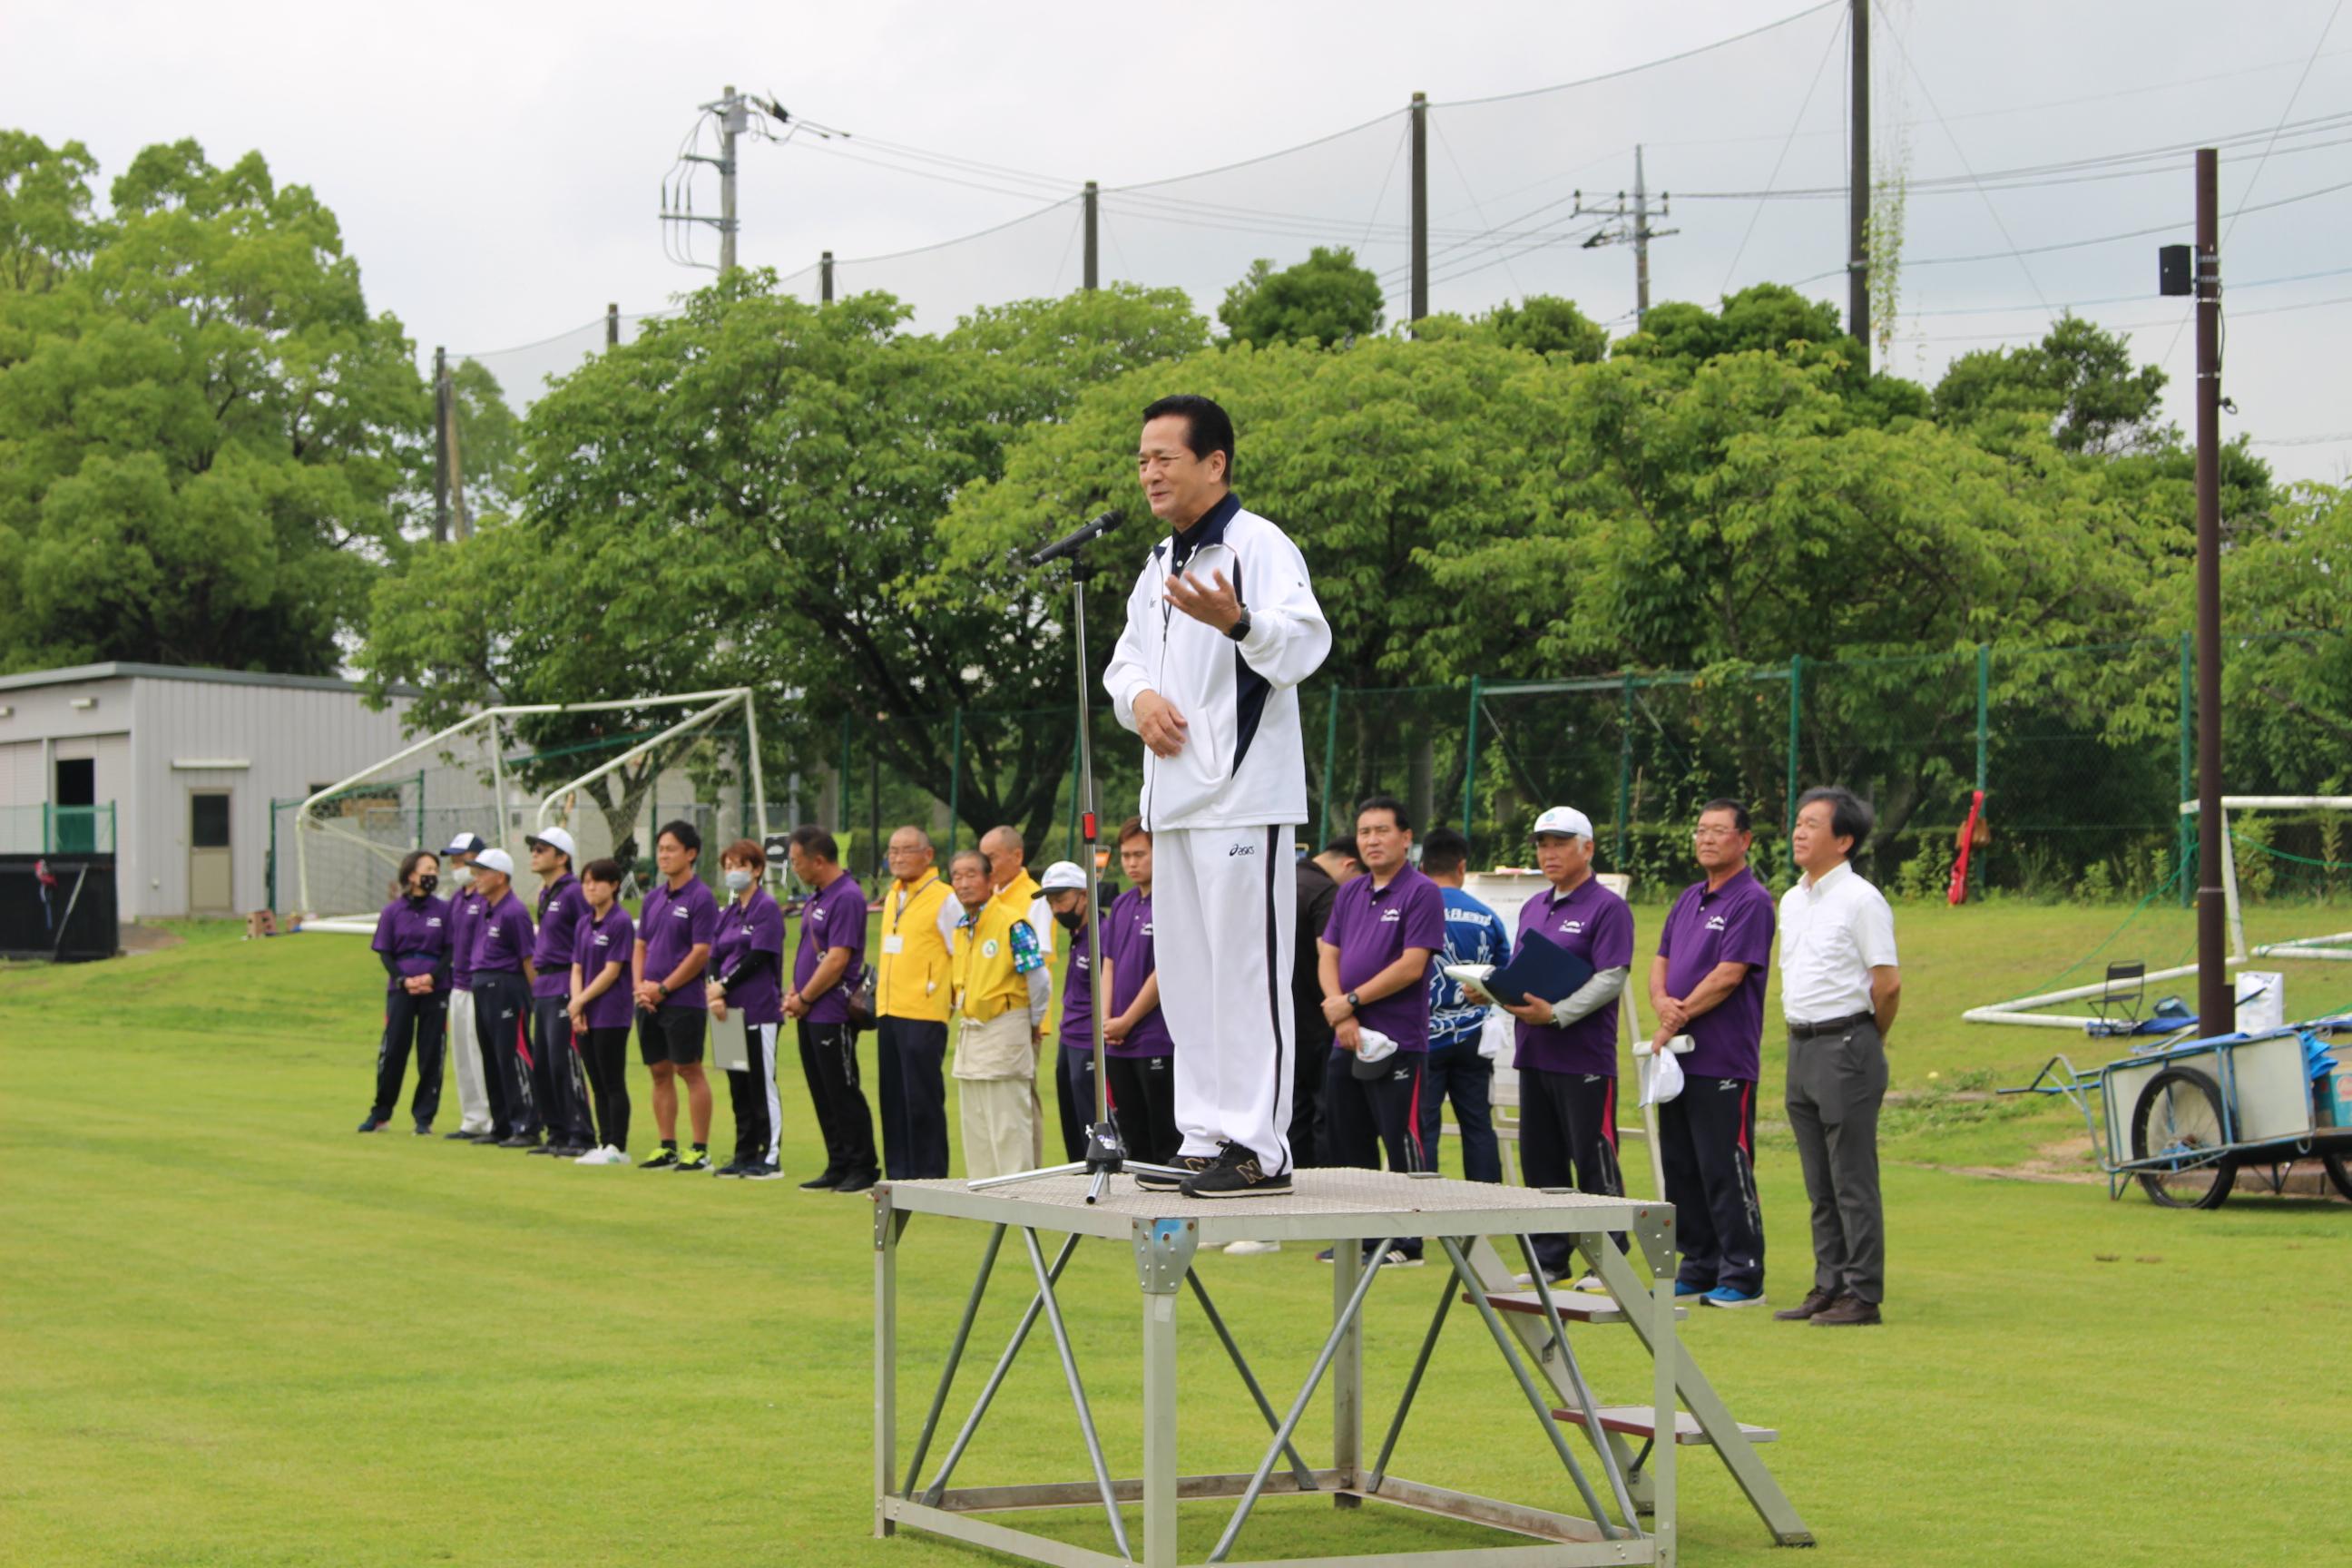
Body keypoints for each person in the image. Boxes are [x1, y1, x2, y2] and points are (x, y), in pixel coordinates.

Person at [1104, 393, 1332, 1199]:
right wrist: (1140, 702)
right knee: (1190, 968)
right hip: (1173, 804)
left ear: (1215, 463)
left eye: (1164, 457)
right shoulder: (1160, 562)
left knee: (1247, 969)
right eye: (1141, 459)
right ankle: (1202, 1135)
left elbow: (1306, 640)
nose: (1150, 472)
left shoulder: (1258, 544)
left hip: (1242, 797)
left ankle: (1259, 1147)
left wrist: (1240, 626)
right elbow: (1124, 659)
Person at [1773, 786, 1901, 1328]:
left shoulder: (1862, 899)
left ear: (1843, 839)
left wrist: (1865, 1040)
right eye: (1798, 822)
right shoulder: (1792, 898)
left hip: (1846, 1043)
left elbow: (1887, 985)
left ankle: (1862, 1294)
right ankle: (1828, 1284)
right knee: (1818, 1181)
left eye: (1813, 824)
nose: (1800, 832)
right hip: (1801, 1045)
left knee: (1851, 1178)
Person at [1496, 807, 1634, 1284]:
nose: (1548, 853)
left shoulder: (1607, 907)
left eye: (1559, 843)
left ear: (1587, 848)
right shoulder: (1535, 906)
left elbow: (1611, 977)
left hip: (1583, 1056)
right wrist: (1492, 988)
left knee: (1592, 1157)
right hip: (1534, 1052)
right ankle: (1549, 1258)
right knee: (1543, 1160)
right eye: (1542, 844)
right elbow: (1522, 971)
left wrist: (1557, 1015)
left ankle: (1610, 1259)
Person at [1651, 799, 1777, 1309]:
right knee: (1681, 1165)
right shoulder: (1688, 899)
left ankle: (1743, 1273)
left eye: (1718, 831)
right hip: (1677, 1058)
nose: (1706, 839)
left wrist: (1678, 1014)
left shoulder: (1751, 900)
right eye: (1700, 829)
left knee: (1724, 1165)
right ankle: (1698, 1263)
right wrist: (1661, 1002)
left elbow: (1730, 974)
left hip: (1723, 1058)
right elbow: (1660, 961)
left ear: (1744, 840)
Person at [1317, 797, 1446, 1265]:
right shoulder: (1350, 892)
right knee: (1347, 1143)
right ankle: (1361, 1237)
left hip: (1397, 1042)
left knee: (1401, 1139)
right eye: (1365, 832)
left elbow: (1412, 966)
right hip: (1346, 1036)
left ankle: (1408, 1241)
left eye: (1382, 831)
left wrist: (1351, 1001)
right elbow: (1328, 953)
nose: (1372, 840)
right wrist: (1342, 1013)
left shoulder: (1421, 892)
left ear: (1406, 838)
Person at [947, 848, 1051, 1179]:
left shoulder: (1011, 923)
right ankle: (986, 1196)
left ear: (990, 879)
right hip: (972, 1031)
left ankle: (1020, 1197)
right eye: (957, 876)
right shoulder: (963, 927)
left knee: (1009, 1123)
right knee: (976, 1124)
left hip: (1005, 1026)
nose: (963, 883)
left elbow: (1039, 980)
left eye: (971, 875)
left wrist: (1033, 1023)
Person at [786, 826, 877, 1193]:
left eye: (796, 861)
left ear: (818, 861)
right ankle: (837, 1162)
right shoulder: (819, 897)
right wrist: (795, 991)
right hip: (810, 1010)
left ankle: (862, 1165)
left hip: (831, 1010)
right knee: (821, 1089)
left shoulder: (847, 897)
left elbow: (838, 958)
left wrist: (805, 997)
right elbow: (811, 952)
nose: (794, 868)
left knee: (842, 1088)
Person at [1419, 827, 1510, 1183]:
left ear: (1422, 867)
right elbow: (1507, 975)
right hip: (1474, 1036)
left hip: (1425, 1036)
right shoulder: (1487, 916)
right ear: (1462, 867)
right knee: (1478, 1125)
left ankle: (1418, 1210)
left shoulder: (1416, 911)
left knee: (1424, 1128)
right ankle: (1486, 1206)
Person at [633, 820, 719, 1172]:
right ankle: (667, 1145)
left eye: (671, 849)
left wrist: (664, 987)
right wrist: (640, 987)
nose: (664, 856)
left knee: (689, 1069)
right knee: (658, 1071)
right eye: (660, 849)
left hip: (682, 1000)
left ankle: (699, 1148)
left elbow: (700, 953)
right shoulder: (654, 898)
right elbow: (640, 945)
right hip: (648, 999)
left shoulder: (701, 898)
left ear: (691, 853)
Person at [875, 826, 958, 1181]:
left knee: (922, 1098)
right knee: (892, 1098)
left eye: (907, 850)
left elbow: (960, 952)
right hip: (889, 1009)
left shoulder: (945, 897)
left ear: (928, 855)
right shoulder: (894, 895)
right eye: (893, 850)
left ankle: (930, 1175)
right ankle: (898, 1176)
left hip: (924, 1013)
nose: (897, 857)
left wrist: (948, 998)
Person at [709, 839, 788, 1180]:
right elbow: (714, 956)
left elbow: (758, 956)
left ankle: (769, 1157)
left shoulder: (765, 908)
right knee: (737, 1085)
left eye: (739, 865)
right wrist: (715, 993)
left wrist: (723, 986)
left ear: (756, 869)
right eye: (727, 866)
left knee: (760, 1083)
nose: (732, 872)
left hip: (758, 1009)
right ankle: (744, 1152)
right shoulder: (727, 912)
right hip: (726, 1013)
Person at [1102, 819, 1178, 1165]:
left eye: (1139, 854)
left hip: (1155, 1037)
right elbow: (1109, 964)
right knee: (1131, 1135)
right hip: (1117, 1042)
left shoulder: (1173, 900)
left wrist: (1128, 1020)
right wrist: (1107, 1020)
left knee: (1164, 1133)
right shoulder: (1121, 904)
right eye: (1125, 855)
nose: (1131, 863)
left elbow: (1167, 971)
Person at [1286, 834, 1362, 1174]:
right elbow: (1328, 955)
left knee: (1292, 1116)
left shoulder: (1282, 882)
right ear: (1349, 865)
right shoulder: (1327, 893)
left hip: (1282, 1024)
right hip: (1321, 1023)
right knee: (1329, 1114)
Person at [360, 849, 451, 1134]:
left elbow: (450, 950)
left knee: (431, 1053)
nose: (433, 874)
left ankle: (424, 1118)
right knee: (394, 1051)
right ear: (411, 875)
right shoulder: (393, 911)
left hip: (435, 990)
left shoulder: (443, 910)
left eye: (436, 869)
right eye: (427, 869)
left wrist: (431, 977)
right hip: (401, 991)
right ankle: (381, 1113)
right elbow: (385, 952)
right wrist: (403, 980)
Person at [525, 826, 594, 1157]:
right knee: (543, 1062)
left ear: (562, 857)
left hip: (566, 982)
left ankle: (579, 1132)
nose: (534, 854)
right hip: (544, 984)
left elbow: (588, 936)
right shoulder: (546, 893)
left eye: (541, 849)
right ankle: (556, 1131)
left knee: (563, 1060)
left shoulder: (574, 892)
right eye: (534, 848)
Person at [466, 848, 538, 1149]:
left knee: (513, 1056)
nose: (477, 878)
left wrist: (535, 996)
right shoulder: (486, 909)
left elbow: (528, 958)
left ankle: (527, 1124)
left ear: (501, 876)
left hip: (507, 988)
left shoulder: (514, 911)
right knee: (491, 1057)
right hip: (483, 988)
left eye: (483, 872)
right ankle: (502, 1123)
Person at [566, 858, 636, 1165]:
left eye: (597, 881)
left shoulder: (620, 922)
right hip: (586, 1011)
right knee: (594, 1080)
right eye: (586, 882)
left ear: (614, 885)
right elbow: (577, 967)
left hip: (611, 1011)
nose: (590, 887)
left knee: (612, 1079)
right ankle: (602, 1140)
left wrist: (580, 1001)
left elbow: (611, 971)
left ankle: (616, 1145)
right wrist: (577, 1005)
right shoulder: (584, 923)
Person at [1040, 859, 1102, 1163]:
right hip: (1069, 1041)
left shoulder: (1102, 934)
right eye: (1051, 902)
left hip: (1091, 1043)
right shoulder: (1078, 936)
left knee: (1094, 1131)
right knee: (1073, 1131)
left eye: (1061, 900)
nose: (1055, 909)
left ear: (1084, 895)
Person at [439, 832, 496, 1142]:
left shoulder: (486, 898)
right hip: (457, 984)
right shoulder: (458, 899)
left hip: (479, 986)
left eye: (461, 860)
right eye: (453, 861)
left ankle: (490, 1118)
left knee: (479, 1054)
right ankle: (472, 1118)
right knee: (462, 1055)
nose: (456, 866)